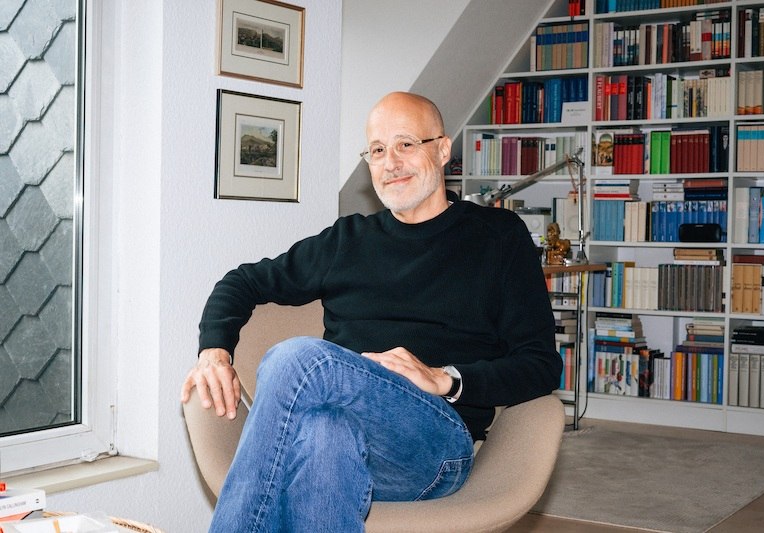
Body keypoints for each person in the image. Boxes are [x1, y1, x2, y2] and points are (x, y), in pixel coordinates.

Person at [180, 91, 561, 532]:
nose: (390, 162)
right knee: (325, 434)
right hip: (345, 441)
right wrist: (214, 352)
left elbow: (540, 365)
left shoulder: (497, 238)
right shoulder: (348, 240)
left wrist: (445, 378)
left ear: (442, 150)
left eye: (405, 144)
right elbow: (242, 281)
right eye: (377, 151)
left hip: (433, 446)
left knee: (300, 359)